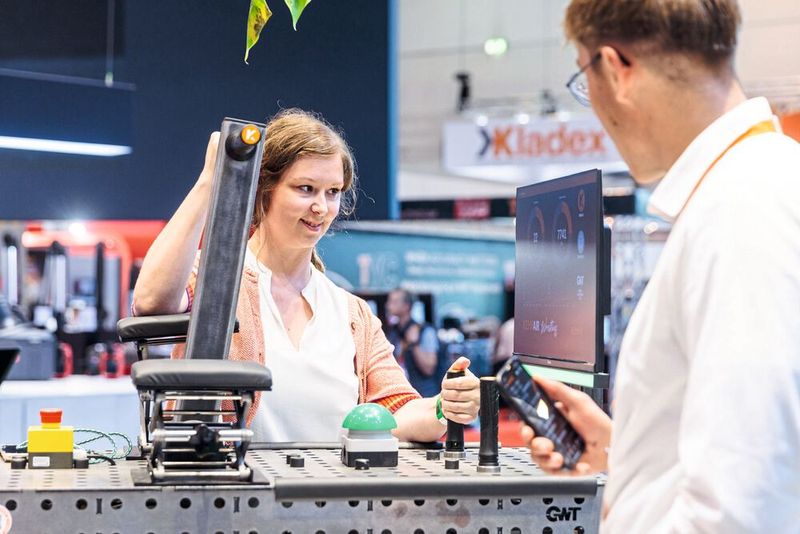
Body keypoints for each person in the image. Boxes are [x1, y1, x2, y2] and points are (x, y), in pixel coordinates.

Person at [523, 1, 800, 532]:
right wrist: (625, 461)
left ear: (614, 68)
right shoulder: (746, 191)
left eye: (585, 78)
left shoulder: (743, 208)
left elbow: (743, 508)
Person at [133, 109, 480, 443]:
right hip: (232, 493)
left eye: (333, 192)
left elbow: (395, 412)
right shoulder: (216, 280)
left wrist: (443, 406)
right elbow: (151, 302)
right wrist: (212, 181)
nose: (321, 207)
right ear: (264, 188)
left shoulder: (352, 313)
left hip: (334, 497)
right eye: (305, 189)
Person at [385, 288, 442, 398]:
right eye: (389, 301)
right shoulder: (393, 332)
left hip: (425, 396)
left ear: (406, 306)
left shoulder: (425, 331)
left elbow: (429, 368)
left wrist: (414, 343)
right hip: (402, 394)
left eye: (394, 302)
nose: (388, 305)